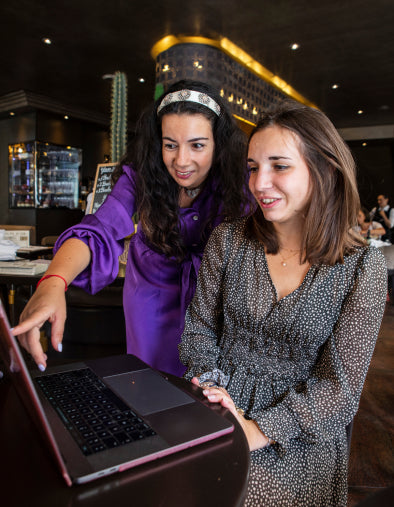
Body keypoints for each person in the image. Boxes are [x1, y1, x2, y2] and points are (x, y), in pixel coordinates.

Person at [179, 100, 387, 506]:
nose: (259, 183)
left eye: (280, 166)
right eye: (254, 168)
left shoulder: (363, 266)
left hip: (302, 432)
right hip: (221, 410)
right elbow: (198, 331)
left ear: (325, 168)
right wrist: (216, 395)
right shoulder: (229, 240)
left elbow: (339, 390)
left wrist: (255, 431)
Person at [12, 80, 252, 376]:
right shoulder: (143, 174)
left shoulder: (239, 184)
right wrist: (53, 283)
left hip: (214, 309)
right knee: (152, 389)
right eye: (170, 145)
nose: (181, 161)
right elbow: (99, 229)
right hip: (149, 303)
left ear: (219, 143)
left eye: (197, 145)